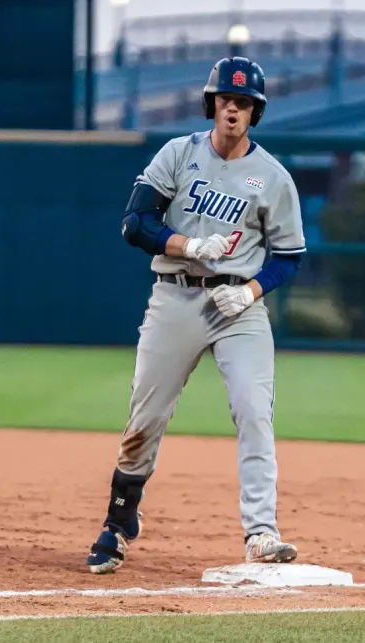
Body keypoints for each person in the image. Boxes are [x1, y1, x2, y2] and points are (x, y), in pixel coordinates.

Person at [85, 57, 307, 575]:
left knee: (255, 410)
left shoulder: (272, 177)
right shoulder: (179, 155)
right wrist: (187, 244)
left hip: (238, 309)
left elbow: (290, 255)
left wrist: (251, 291)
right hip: (176, 297)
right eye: (227, 99)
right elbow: (135, 224)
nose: (234, 108)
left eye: (245, 102)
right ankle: (119, 521)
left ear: (255, 112)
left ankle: (261, 531)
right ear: (212, 104)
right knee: (146, 417)